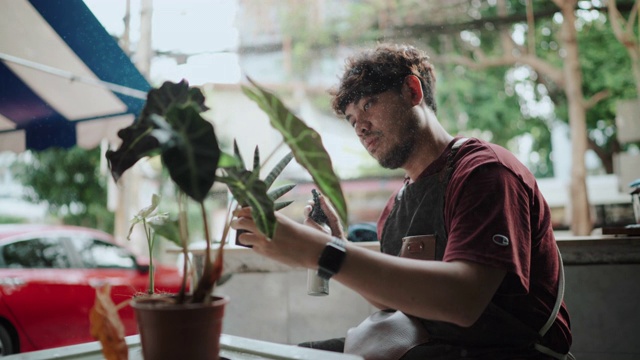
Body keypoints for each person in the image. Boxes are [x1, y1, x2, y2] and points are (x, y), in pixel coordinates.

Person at [231, 43, 573, 360]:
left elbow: (464, 301)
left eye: (368, 105)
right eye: (352, 120)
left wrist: (322, 253)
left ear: (412, 91)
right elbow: (396, 301)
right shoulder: (398, 204)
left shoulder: (484, 173)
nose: (360, 127)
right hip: (431, 346)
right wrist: (336, 244)